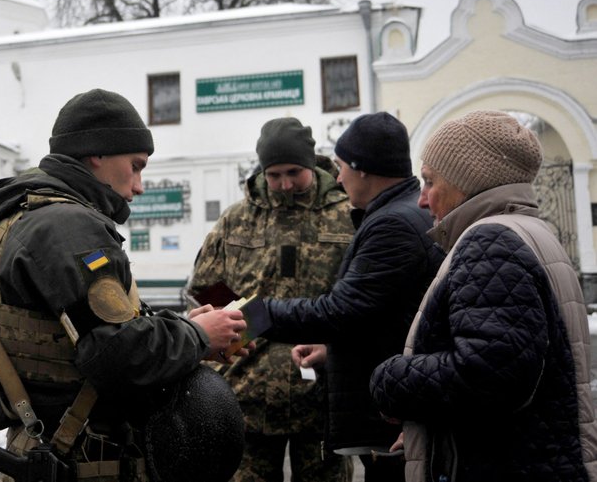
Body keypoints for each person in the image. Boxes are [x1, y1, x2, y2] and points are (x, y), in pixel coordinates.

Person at [0, 88, 249, 482]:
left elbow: (78, 330)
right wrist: (195, 336)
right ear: (97, 153)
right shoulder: (68, 225)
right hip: (83, 457)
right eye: (136, 165)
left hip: (49, 445)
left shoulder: (22, 214)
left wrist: (181, 328)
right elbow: (116, 351)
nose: (139, 185)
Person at [370, 110, 597, 482]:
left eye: (429, 181)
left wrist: (391, 378)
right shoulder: (527, 230)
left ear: (467, 183)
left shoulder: (490, 242)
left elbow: (489, 374)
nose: (422, 200)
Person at [259, 112, 445, 482]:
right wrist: (334, 352)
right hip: (394, 407)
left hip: (392, 418)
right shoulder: (405, 211)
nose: (338, 177)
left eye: (342, 166)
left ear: (363, 169)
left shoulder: (392, 223)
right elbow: (387, 315)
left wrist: (254, 315)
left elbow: (341, 311)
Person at [187, 117, 354, 482]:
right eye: (274, 174)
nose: (284, 184)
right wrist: (246, 324)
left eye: (294, 172)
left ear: (311, 164)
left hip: (323, 394)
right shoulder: (237, 220)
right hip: (248, 393)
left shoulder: (346, 216)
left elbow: (362, 300)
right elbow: (203, 289)